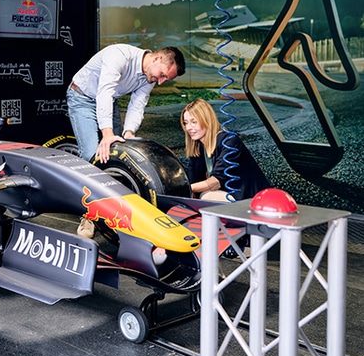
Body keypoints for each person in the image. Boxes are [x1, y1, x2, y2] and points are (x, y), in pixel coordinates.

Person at [67, 44, 186, 238]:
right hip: (83, 97)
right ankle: (87, 215)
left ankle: (111, 207)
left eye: (166, 79)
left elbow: (137, 105)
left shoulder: (150, 75)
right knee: (92, 154)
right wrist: (107, 134)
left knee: (117, 154)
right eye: (163, 75)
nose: (161, 82)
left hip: (109, 101)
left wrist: (129, 133)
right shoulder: (119, 56)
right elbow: (104, 92)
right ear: (157, 59)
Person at [181, 98, 270, 201]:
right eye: (186, 123)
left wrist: (182, 189)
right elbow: (193, 179)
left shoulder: (229, 141)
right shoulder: (199, 147)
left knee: (207, 196)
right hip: (228, 196)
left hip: (251, 199)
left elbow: (215, 182)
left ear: (207, 120)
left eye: (194, 122)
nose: (188, 128)